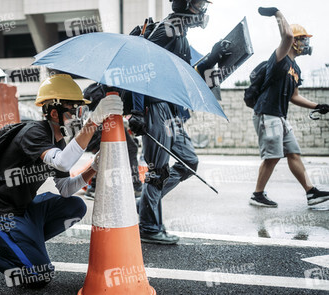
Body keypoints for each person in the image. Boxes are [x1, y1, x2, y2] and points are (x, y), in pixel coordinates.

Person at [0, 74, 123, 287]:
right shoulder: (34, 132)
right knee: (38, 277)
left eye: (81, 111)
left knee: (75, 206)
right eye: (75, 111)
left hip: (23, 211)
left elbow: (66, 189)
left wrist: (93, 168)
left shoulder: (58, 142)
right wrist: (94, 121)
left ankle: (26, 247)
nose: (78, 116)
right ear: (54, 112)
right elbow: (62, 163)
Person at [128, 0, 231, 244]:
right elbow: (139, 62)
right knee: (158, 170)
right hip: (156, 106)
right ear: (184, 4)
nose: (202, 9)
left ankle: (145, 203)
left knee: (189, 161)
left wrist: (214, 57)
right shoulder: (168, 28)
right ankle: (149, 227)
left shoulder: (181, 34)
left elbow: (188, 75)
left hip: (173, 110)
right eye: (197, 3)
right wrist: (137, 110)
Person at [250, 7, 329, 207]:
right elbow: (285, 34)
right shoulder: (280, 58)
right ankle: (257, 195)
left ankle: (311, 193)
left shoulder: (296, 68)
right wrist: (276, 13)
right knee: (273, 156)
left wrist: (318, 105)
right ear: (294, 41)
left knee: (293, 153)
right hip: (267, 113)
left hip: (279, 116)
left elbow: (294, 96)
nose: (306, 43)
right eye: (303, 39)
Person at [82, 83, 143, 200]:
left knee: (110, 153)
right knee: (120, 150)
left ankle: (94, 187)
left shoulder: (98, 87)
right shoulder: (108, 87)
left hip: (104, 123)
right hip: (102, 124)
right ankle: (135, 187)